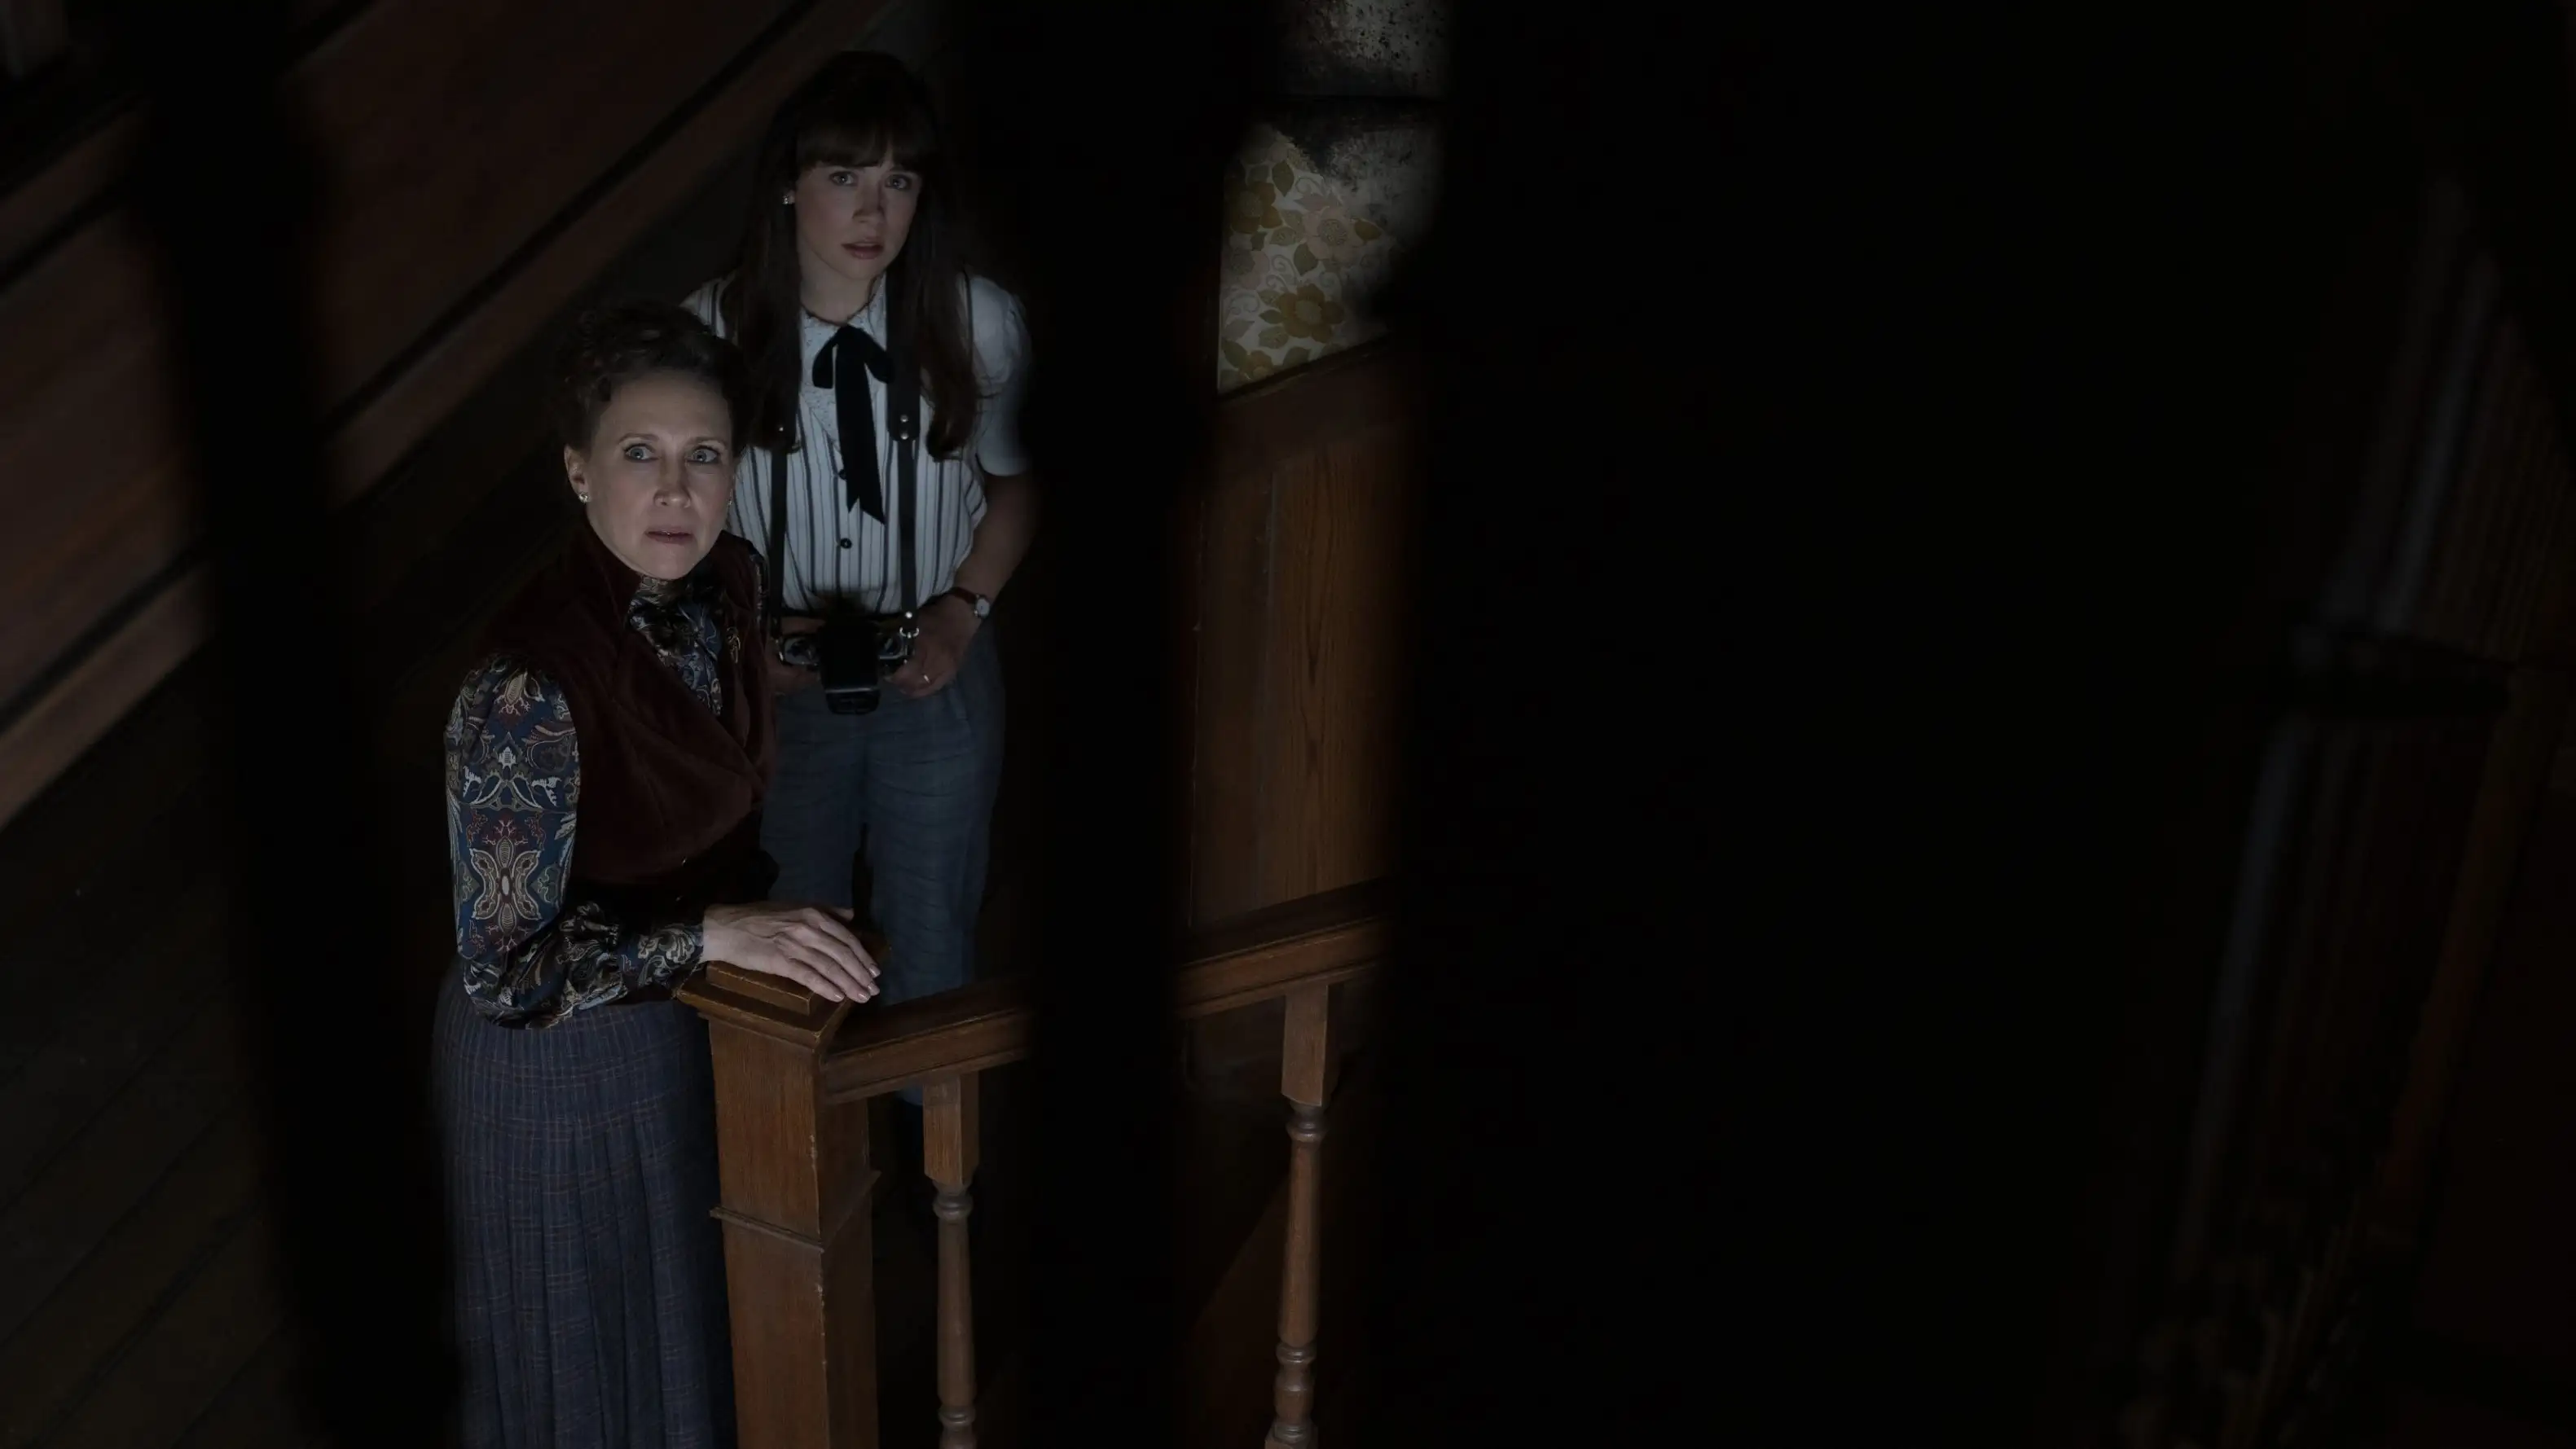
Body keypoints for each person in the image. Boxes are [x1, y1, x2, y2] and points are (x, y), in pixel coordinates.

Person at [431, 300, 880, 1449]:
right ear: (579, 472)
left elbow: (698, 726)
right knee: (588, 1365)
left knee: (682, 1327)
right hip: (555, 1067)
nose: (676, 488)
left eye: (704, 455)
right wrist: (722, 932)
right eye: (640, 453)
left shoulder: (728, 576)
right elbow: (507, 972)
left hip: (686, 1021)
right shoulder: (524, 688)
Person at [683, 52, 1035, 1056]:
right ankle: (806, 1139)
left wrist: (963, 612)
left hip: (939, 663)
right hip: (778, 683)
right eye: (845, 175)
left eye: (899, 180)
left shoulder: (976, 320)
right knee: (791, 941)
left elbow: (1017, 487)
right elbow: (670, 527)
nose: (873, 210)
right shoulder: (711, 331)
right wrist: (740, 650)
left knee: (934, 929)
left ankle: (933, 1140)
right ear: (790, 183)